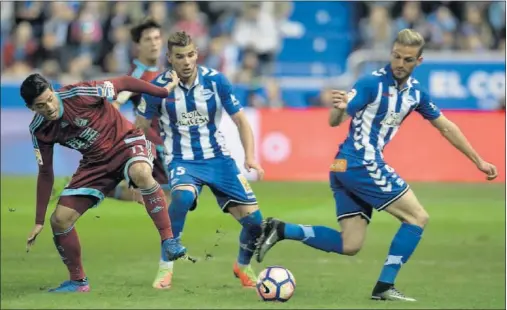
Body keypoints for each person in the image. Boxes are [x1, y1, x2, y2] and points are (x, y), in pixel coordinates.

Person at [254, 29, 498, 301]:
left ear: (419, 61)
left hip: (343, 167)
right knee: (417, 217)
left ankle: (282, 229)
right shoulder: (372, 84)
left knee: (350, 244)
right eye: (396, 56)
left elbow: (446, 127)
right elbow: (336, 120)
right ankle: (384, 286)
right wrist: (339, 107)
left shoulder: (416, 94)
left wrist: (478, 160)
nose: (399, 64)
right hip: (360, 163)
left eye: (407, 59)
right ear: (391, 53)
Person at [22, 73, 187, 292]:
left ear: (53, 89)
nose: (49, 107)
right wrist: (39, 220)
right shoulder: (39, 129)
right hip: (95, 163)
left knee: (141, 172)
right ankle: (78, 282)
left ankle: (169, 241)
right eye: (41, 106)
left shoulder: (80, 93)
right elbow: (45, 172)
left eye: (50, 99)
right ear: (31, 108)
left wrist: (163, 91)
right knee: (59, 220)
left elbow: (125, 82)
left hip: (126, 142)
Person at [136, 31, 265, 289]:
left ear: (197, 54)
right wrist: (141, 165)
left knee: (255, 224)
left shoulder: (216, 82)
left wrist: (250, 156)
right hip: (182, 159)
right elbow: (139, 128)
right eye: (180, 56)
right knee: (182, 197)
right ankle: (165, 267)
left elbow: (240, 120)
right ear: (170, 58)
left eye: (191, 55)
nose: (186, 61)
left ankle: (242, 265)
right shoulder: (157, 88)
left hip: (219, 160)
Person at [107, 18, 169, 204]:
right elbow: (114, 104)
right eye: (148, 39)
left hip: (168, 139)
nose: (154, 43)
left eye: (157, 38)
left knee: (164, 198)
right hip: (153, 143)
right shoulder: (136, 75)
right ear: (138, 45)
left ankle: (103, 189)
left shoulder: (160, 69)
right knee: (170, 199)